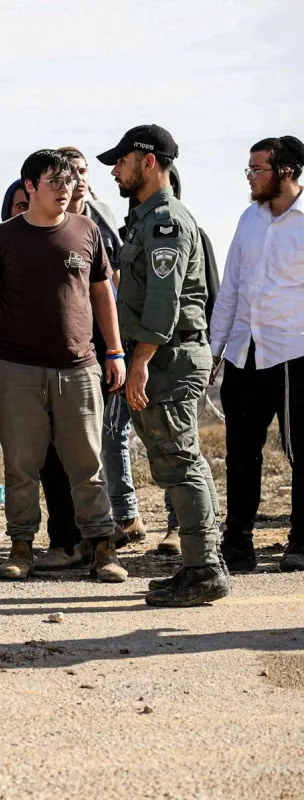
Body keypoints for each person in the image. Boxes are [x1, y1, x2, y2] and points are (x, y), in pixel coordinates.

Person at [0, 149, 127, 584]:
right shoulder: (3, 238)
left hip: (79, 368)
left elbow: (101, 293)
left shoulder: (86, 230)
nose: (65, 189)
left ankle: (102, 549)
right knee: (21, 467)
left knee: (88, 465)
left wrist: (115, 351)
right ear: (30, 186)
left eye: (70, 181)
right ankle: (21, 548)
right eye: (54, 181)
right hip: (16, 370)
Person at [100, 124, 230, 606]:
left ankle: (205, 570)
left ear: (148, 162)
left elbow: (162, 300)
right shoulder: (146, 219)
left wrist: (139, 363)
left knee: (181, 463)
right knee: (178, 463)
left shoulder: (165, 222)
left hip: (167, 357)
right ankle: (201, 565)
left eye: (121, 161)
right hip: (163, 356)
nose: (115, 170)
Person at [210, 135, 304, 573]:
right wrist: (215, 349)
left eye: (257, 169)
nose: (250, 177)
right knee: (240, 453)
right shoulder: (249, 219)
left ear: (285, 171)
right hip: (244, 353)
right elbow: (230, 287)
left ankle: (300, 542)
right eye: (249, 169)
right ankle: (237, 545)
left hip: (293, 353)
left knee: (299, 451)